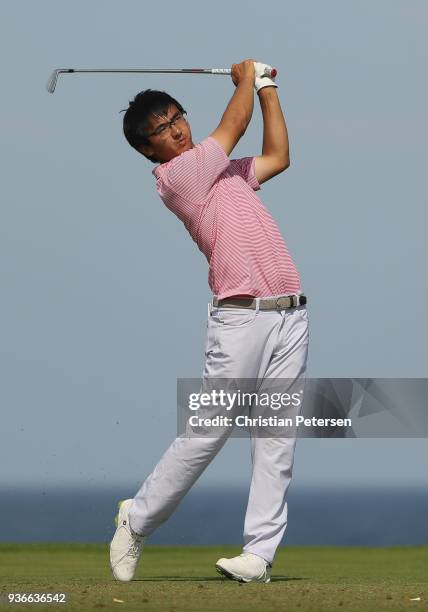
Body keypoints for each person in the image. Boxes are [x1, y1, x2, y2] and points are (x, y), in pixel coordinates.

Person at [110, 59, 309, 584]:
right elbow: (233, 126)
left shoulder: (223, 170)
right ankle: (138, 517)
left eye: (177, 116)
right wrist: (245, 78)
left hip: (289, 311)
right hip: (240, 319)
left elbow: (278, 156)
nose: (175, 128)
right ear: (147, 149)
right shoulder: (179, 177)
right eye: (161, 128)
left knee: (276, 438)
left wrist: (265, 88)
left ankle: (258, 556)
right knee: (208, 431)